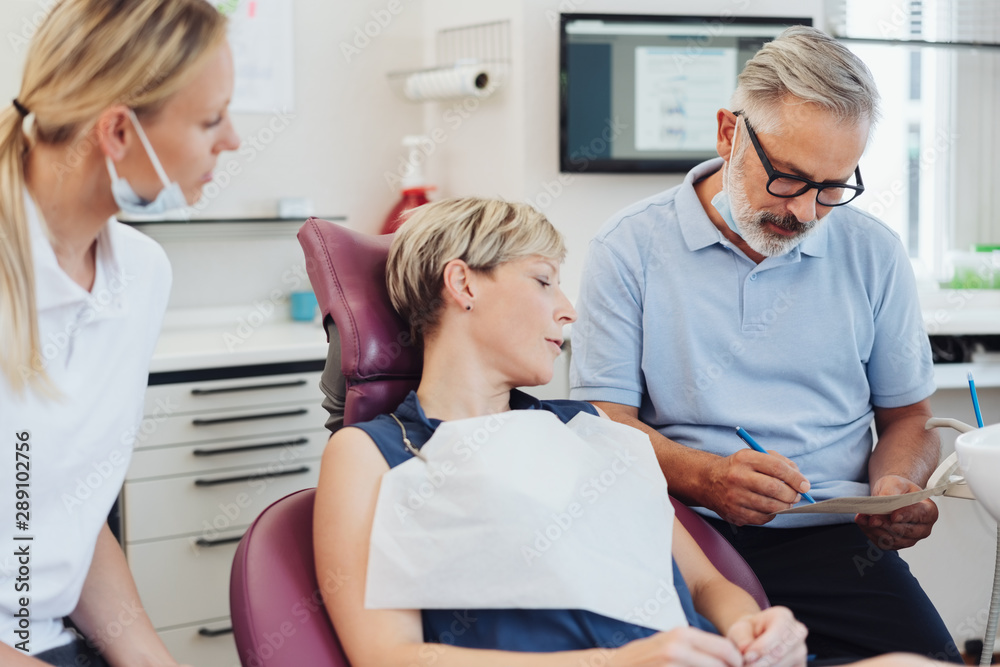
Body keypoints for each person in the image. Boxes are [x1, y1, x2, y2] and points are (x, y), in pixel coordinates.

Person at [569, 25, 957, 662]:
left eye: (832, 188)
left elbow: (909, 418)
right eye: (790, 179)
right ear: (729, 134)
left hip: (835, 541)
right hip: (684, 529)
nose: (805, 213)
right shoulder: (629, 247)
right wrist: (707, 477)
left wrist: (895, 486)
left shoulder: (874, 253)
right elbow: (606, 425)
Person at [314, 197, 813, 667]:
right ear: (464, 284)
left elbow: (705, 584)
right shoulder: (374, 453)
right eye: (543, 280)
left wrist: (755, 628)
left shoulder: (591, 429)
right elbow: (387, 656)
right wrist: (617, 662)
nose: (568, 310)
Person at [0, 0, 240, 665]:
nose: (233, 140)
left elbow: (70, 515)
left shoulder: (140, 274)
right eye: (211, 119)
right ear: (118, 132)